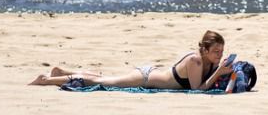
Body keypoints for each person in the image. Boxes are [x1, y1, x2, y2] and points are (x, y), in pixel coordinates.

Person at [28, 30, 233, 90]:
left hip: (152, 72)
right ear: (204, 49)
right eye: (216, 50)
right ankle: (46, 80)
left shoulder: (212, 62)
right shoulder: (196, 61)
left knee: (106, 77)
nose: (219, 54)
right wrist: (218, 72)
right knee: (101, 82)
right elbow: (197, 89)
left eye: (221, 51)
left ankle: (61, 72)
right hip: (144, 78)